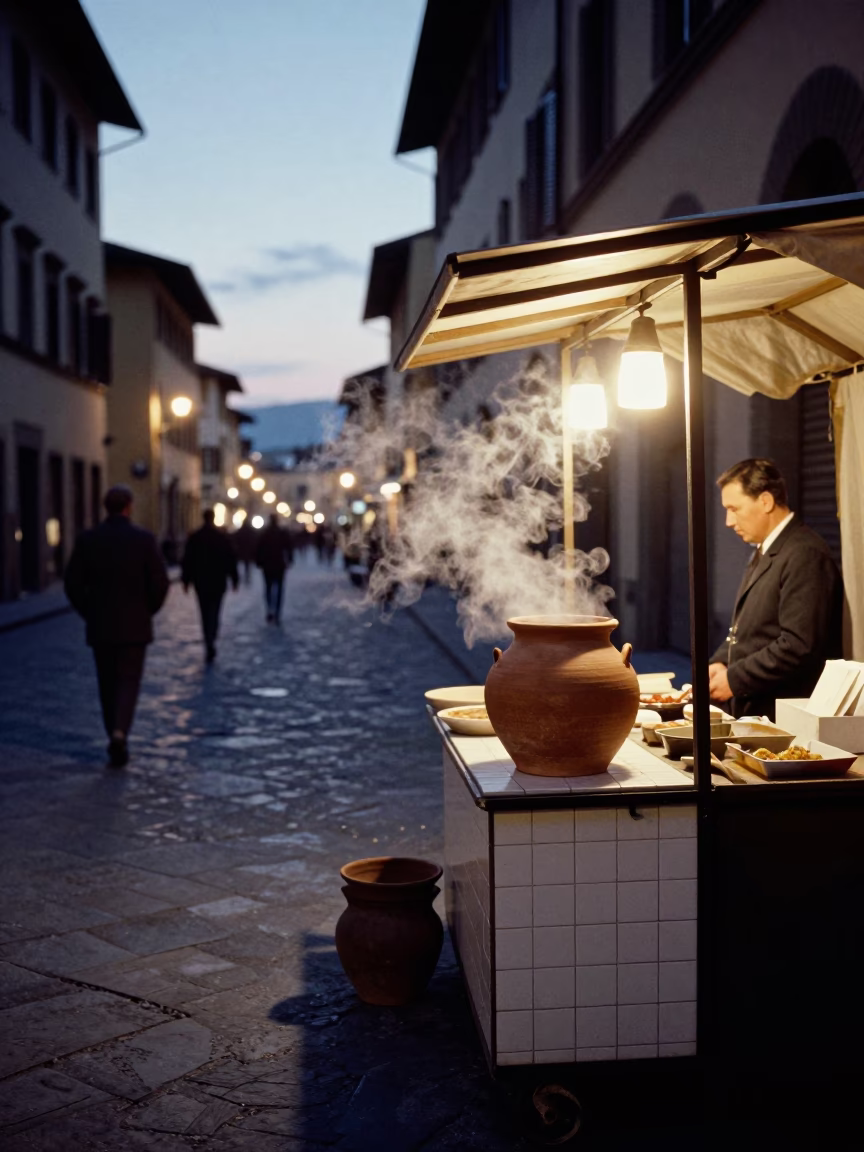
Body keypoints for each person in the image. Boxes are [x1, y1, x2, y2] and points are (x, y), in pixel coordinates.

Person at [708, 458, 843, 720]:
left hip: (782, 716)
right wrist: (721, 661)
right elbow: (751, 628)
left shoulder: (805, 552)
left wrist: (735, 679)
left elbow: (798, 645)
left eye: (734, 508)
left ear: (766, 501)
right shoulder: (768, 548)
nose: (728, 520)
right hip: (757, 710)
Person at [64, 485, 169, 767]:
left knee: (106, 681)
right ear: (129, 507)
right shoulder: (144, 540)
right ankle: (121, 732)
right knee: (129, 681)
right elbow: (160, 582)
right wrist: (148, 610)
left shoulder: (88, 540)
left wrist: (89, 612)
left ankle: (112, 730)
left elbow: (72, 583)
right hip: (135, 625)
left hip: (101, 624)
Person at [181, 509, 239, 662]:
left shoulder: (195, 537)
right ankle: (211, 636)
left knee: (204, 611)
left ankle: (208, 638)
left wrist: (186, 580)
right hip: (218, 581)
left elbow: (188, 560)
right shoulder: (221, 537)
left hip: (201, 581)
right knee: (215, 610)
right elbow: (230, 558)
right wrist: (234, 579)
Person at [255, 513, 294, 622]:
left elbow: (258, 549)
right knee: (280, 588)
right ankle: (277, 611)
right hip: (279, 564)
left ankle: (269, 609)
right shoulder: (282, 533)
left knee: (268, 588)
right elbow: (289, 547)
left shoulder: (264, 533)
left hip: (267, 565)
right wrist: (289, 560)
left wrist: (259, 562)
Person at [232, 518, 257, 584]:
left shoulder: (240, 531)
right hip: (248, 551)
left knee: (240, 565)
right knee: (247, 565)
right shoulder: (251, 532)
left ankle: (241, 577)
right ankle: (247, 577)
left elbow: (235, 539)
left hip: (241, 551)